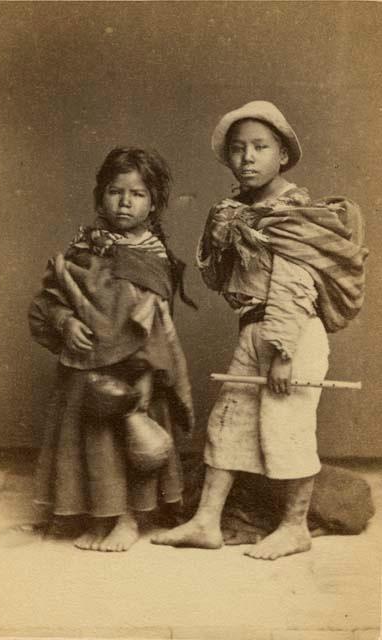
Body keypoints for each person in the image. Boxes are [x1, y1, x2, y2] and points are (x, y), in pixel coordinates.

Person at [151, 100, 368, 560]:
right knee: (230, 422)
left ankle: (294, 528)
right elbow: (222, 277)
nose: (247, 157)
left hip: (291, 332)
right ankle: (207, 521)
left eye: (260, 147)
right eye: (237, 149)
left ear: (283, 155)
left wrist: (284, 352)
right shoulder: (235, 213)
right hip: (254, 329)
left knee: (285, 427)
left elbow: (294, 284)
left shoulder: (294, 215)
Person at [28, 146, 195, 552]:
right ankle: (97, 518)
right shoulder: (84, 247)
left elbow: (156, 327)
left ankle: (127, 521)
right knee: (92, 445)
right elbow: (51, 299)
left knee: (130, 447)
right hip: (85, 369)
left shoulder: (153, 258)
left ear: (154, 203)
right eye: (115, 191)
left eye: (137, 194)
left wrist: (146, 378)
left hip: (134, 369)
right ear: (100, 195)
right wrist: (65, 323)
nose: (124, 202)